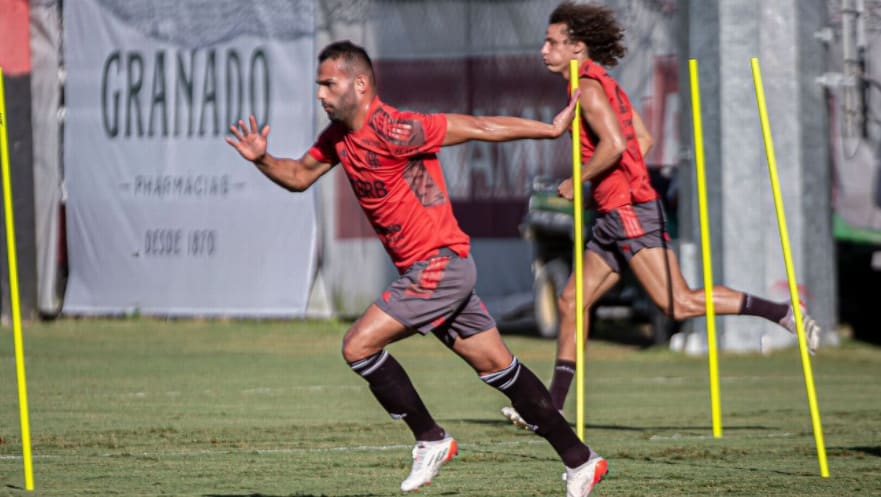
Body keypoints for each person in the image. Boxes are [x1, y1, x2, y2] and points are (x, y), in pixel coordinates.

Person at [226, 40, 607, 497]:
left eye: (329, 84)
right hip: (438, 272)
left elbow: (480, 126)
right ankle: (580, 459)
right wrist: (263, 159)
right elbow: (298, 176)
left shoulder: (397, 127)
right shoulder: (338, 138)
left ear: (360, 84)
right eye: (318, 86)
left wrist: (548, 131)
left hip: (439, 266)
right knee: (499, 368)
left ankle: (430, 438)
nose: (321, 95)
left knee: (358, 346)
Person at [502, 1, 822, 429]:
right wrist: (611, 186)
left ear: (576, 48)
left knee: (680, 303)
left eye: (552, 42)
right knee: (570, 300)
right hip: (615, 214)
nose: (544, 50)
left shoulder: (592, 89)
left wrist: (577, 180)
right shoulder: (595, 84)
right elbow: (644, 140)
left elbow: (616, 145)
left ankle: (782, 312)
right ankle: (552, 408)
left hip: (631, 213)